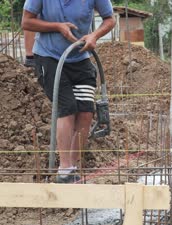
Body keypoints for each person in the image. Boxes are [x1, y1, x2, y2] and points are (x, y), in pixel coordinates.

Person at [22, 0, 116, 183]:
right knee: (67, 107)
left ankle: (73, 167)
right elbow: (26, 22)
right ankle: (64, 169)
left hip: (80, 57)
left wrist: (94, 35)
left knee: (86, 111)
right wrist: (57, 27)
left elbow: (110, 19)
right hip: (48, 57)